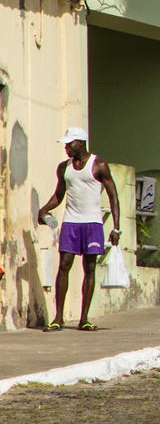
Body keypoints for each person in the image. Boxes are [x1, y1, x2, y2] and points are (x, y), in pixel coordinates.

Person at [36, 128, 121, 331]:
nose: (66, 147)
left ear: (81, 143)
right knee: (64, 266)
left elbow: (113, 197)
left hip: (93, 224)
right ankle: (58, 318)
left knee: (89, 269)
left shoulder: (99, 165)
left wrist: (117, 228)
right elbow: (59, 194)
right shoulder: (63, 168)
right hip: (71, 223)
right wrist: (44, 209)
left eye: (69, 143)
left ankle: (84, 319)